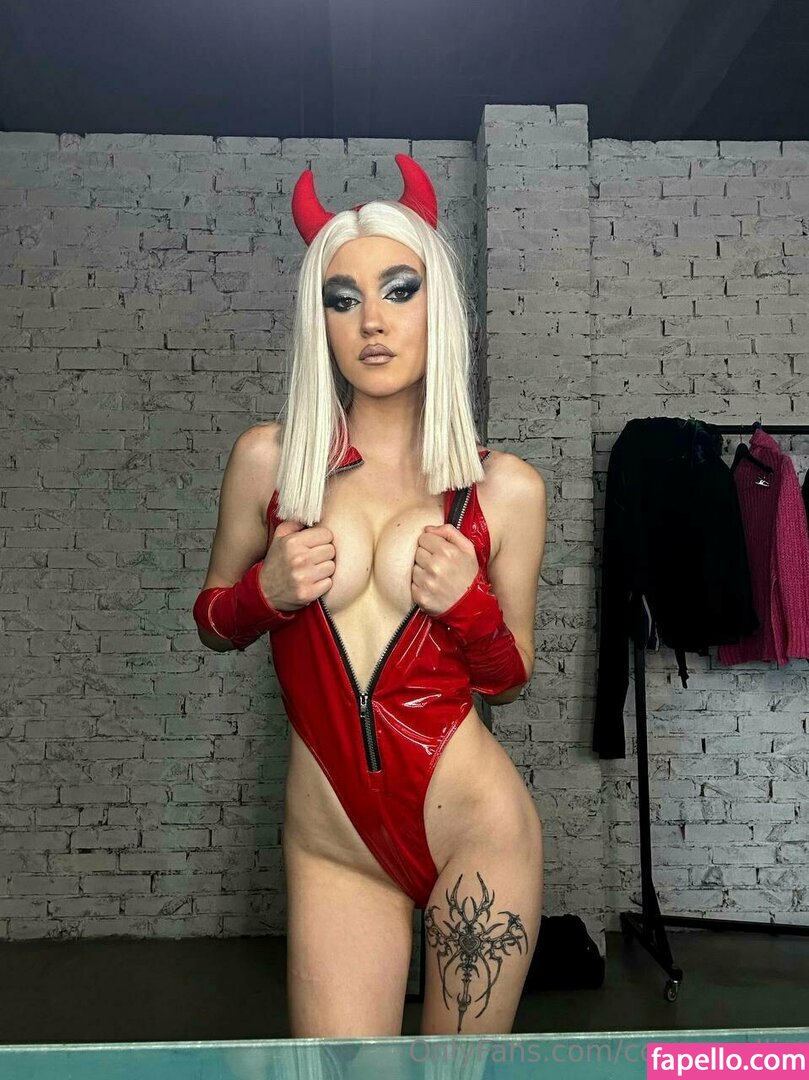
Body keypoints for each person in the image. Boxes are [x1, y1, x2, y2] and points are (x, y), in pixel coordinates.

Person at [193, 155, 547, 1038]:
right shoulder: (271, 463)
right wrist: (264, 594)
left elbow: (510, 680)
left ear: (438, 306)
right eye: (342, 299)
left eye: (399, 290)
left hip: (475, 829)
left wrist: (469, 607)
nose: (372, 322)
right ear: (319, 320)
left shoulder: (501, 489)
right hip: (333, 844)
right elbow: (211, 621)